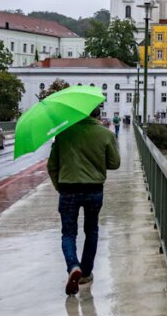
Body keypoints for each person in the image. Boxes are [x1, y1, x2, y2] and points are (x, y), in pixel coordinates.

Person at [47, 105, 120, 295]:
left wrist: (59, 185)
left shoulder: (63, 134)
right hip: (94, 189)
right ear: (98, 114)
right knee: (92, 230)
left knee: (68, 233)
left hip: (68, 189)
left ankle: (73, 267)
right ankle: (86, 273)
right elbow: (114, 163)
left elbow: (52, 165)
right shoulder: (105, 134)